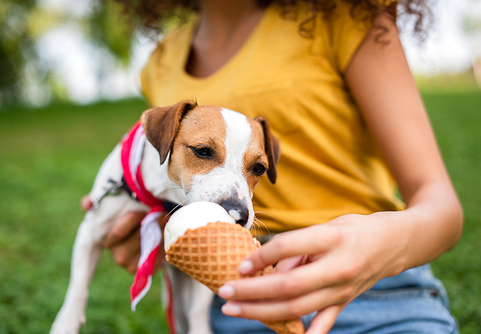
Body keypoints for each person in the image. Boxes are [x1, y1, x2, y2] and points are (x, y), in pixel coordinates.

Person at [84, 0, 463, 333]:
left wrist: (376, 250)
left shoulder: (349, 14)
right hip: (229, 305)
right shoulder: (162, 59)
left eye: (258, 170)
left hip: (375, 295)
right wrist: (143, 221)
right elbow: (169, 185)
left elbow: (443, 207)